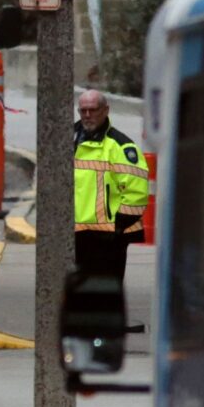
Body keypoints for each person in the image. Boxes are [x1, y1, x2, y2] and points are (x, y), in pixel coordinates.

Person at [72, 88, 149, 331]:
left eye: (92, 110)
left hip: (109, 231)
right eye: (82, 110)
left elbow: (136, 192)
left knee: (107, 283)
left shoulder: (121, 146)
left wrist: (117, 226)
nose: (87, 115)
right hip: (77, 228)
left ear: (105, 110)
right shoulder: (70, 138)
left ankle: (105, 326)